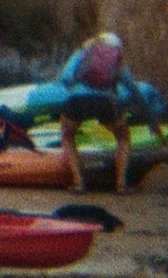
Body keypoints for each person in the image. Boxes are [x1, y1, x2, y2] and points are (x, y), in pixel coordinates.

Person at [55, 32, 159, 194]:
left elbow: (65, 79)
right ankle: (121, 184)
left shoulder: (83, 53)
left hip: (77, 100)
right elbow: (135, 92)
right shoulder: (117, 60)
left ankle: (79, 183)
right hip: (105, 102)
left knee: (68, 136)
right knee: (123, 137)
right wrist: (152, 120)